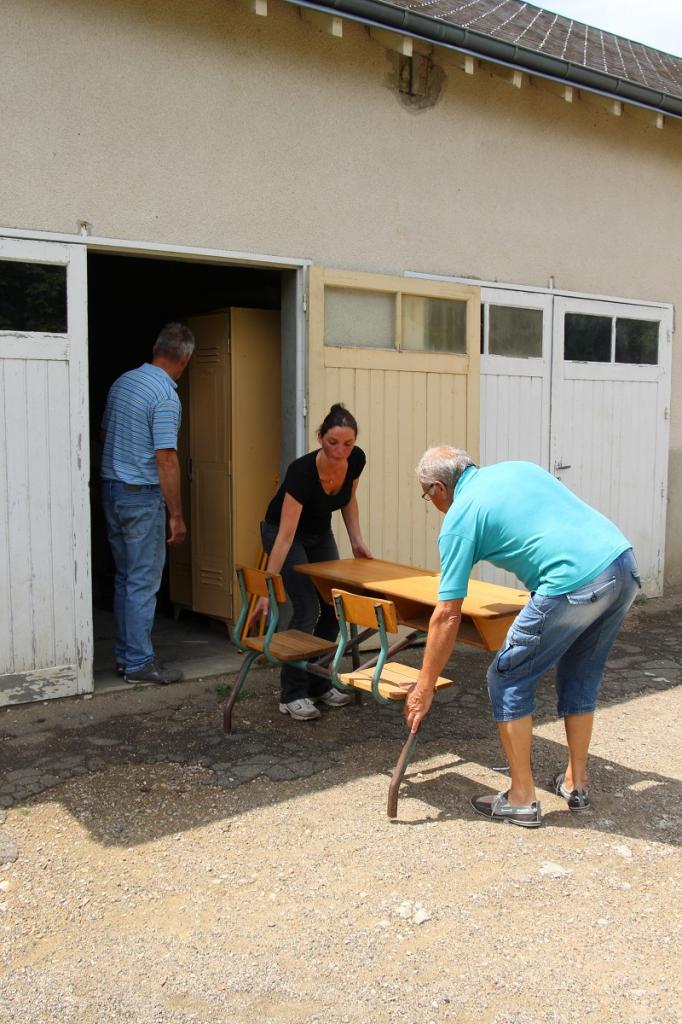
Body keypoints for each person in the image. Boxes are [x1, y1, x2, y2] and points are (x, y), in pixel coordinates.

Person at [405, 447, 641, 828]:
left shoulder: (460, 518)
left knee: (508, 675)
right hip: (621, 564)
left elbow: (446, 614)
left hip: (572, 582)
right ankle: (576, 784)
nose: (431, 502)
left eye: (426, 495)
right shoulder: (518, 469)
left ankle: (521, 798)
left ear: (438, 487)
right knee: (580, 672)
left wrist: (424, 684)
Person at [250, 403, 373, 721]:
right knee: (306, 607)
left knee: (333, 606)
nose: (340, 451)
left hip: (319, 533)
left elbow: (348, 501)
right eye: (333, 442)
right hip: (283, 533)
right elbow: (286, 535)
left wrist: (357, 540)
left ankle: (318, 682)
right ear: (320, 438)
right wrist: (267, 587)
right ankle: (292, 694)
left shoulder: (355, 460)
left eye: (348, 443)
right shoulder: (302, 472)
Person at [100, 322, 195, 685]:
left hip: (112, 490)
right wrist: (176, 515)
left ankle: (127, 658)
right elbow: (165, 458)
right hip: (141, 496)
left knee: (126, 578)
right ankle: (140, 662)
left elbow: (106, 434)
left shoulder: (123, 382)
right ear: (185, 358)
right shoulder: (165, 397)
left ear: (157, 349)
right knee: (142, 581)